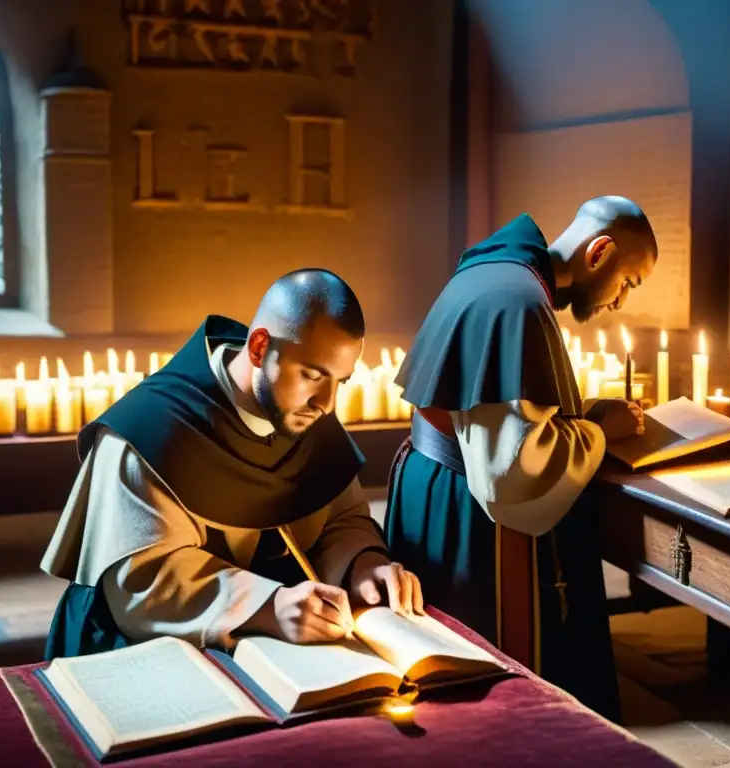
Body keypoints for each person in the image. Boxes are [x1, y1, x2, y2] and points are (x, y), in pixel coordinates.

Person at [42, 269, 423, 659]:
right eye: (312, 375)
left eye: (339, 382)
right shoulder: (147, 431)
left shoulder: (305, 413)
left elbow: (341, 520)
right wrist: (267, 605)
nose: (326, 404)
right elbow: (144, 579)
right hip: (148, 643)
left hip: (280, 634)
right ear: (259, 348)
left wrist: (363, 565)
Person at [386, 196, 658, 723]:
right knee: (499, 702)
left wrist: (580, 413)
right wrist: (600, 431)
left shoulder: (495, 271)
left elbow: (496, 414)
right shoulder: (519, 303)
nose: (621, 301)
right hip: (476, 517)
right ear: (599, 252)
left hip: (434, 482)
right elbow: (512, 474)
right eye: (628, 282)